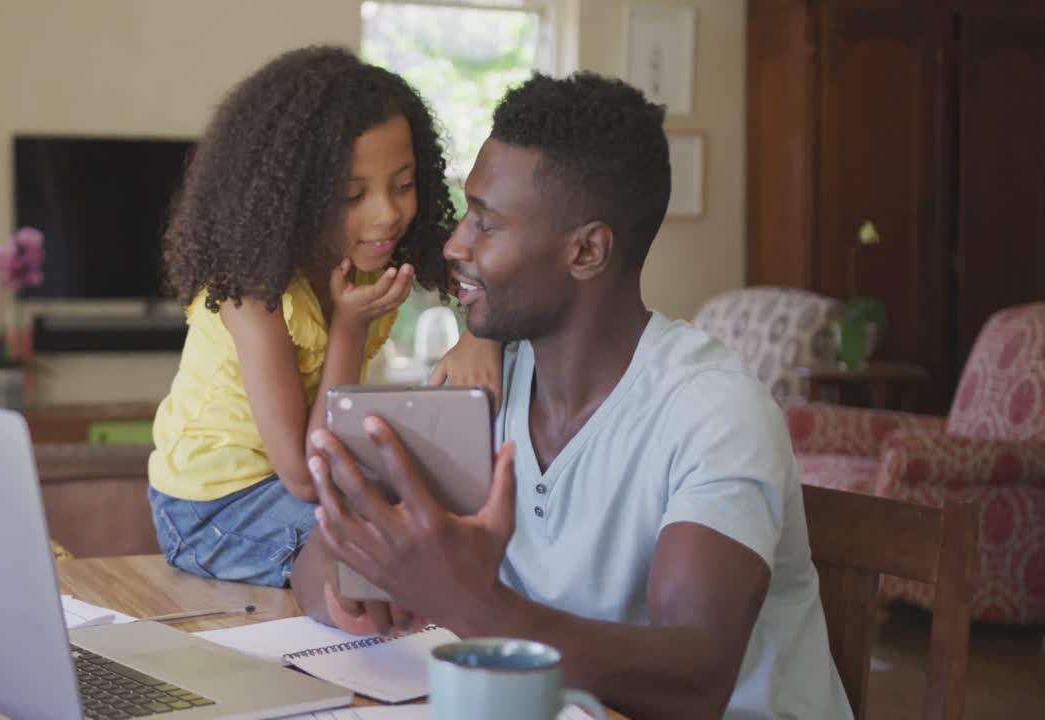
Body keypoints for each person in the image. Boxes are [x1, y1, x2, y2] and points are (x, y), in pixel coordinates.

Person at [295, 72, 853, 719]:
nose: (455, 244)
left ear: (587, 250)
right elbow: (314, 563)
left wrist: (464, 601)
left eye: (487, 224)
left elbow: (695, 677)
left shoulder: (714, 411)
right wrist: (353, 580)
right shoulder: (484, 383)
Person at [149, 46, 502, 590]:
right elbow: (304, 473)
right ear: (292, 198)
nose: (387, 213)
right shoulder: (251, 295)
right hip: (210, 509)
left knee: (429, 522)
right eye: (352, 194)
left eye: (403, 184)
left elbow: (490, 282)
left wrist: (480, 335)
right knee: (392, 541)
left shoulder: (372, 250)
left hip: (295, 484)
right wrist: (349, 329)